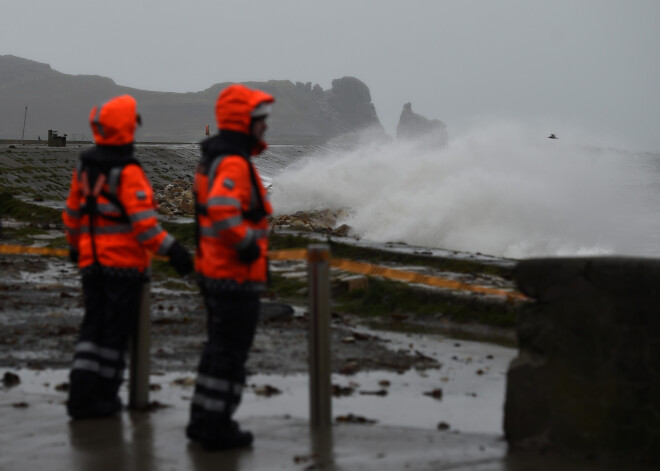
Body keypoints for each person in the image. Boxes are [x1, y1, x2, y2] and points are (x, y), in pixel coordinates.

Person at [62, 94, 193, 419]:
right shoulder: (128, 171)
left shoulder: (86, 164)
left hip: (92, 264)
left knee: (92, 329)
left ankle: (80, 394)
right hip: (122, 268)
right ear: (127, 128)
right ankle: (103, 398)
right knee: (114, 336)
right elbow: (145, 229)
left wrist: (76, 245)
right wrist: (175, 252)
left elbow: (72, 213)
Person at [186, 84, 274, 450]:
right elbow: (223, 209)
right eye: (261, 120)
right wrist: (249, 246)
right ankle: (216, 428)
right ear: (244, 122)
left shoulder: (219, 157)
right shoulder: (234, 162)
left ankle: (205, 420)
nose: (265, 127)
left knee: (219, 350)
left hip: (218, 271)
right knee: (229, 354)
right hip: (231, 275)